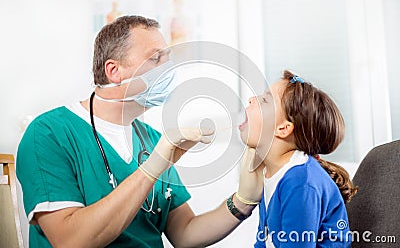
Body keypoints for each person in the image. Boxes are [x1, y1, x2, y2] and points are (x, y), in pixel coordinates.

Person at [16, 15, 265, 248]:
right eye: (156, 58)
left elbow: (185, 233)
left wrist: (241, 203)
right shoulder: (48, 134)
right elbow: (71, 240)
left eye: (168, 59)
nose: (168, 69)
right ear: (114, 71)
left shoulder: (152, 140)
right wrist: (152, 168)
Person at [238, 70, 358, 247]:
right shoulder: (272, 173)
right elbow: (263, 242)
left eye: (265, 100)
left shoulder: (301, 182)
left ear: (283, 129)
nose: (251, 99)